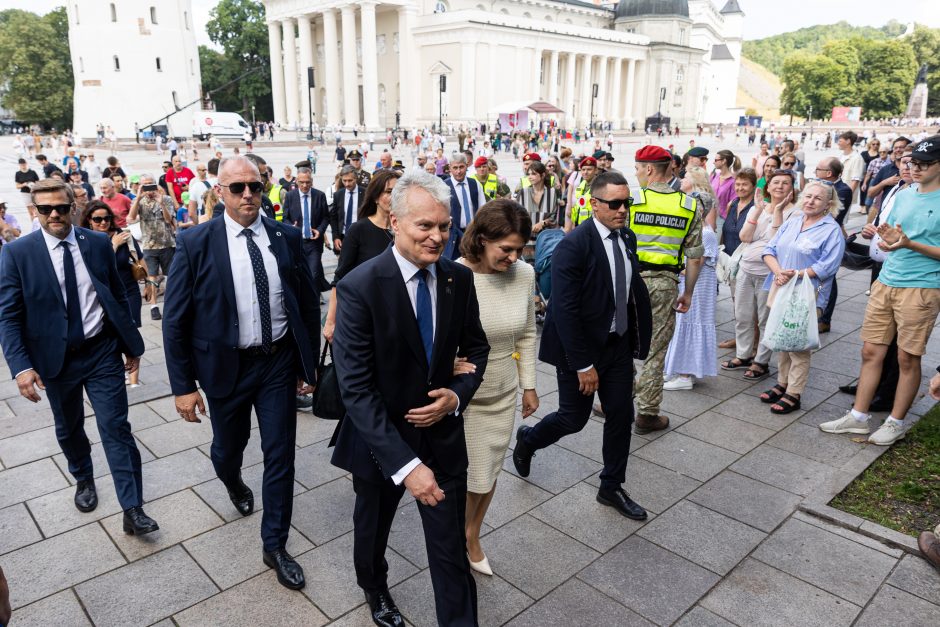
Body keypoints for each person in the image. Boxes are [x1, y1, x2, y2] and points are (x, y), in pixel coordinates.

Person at [330, 169, 490, 627]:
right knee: (372, 531)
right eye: (425, 226)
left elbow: (477, 348)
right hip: (381, 443)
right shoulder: (361, 286)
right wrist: (406, 466)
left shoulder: (457, 279)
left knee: (449, 553)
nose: (437, 236)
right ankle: (375, 589)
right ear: (395, 222)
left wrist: (455, 396)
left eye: (445, 226)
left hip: (441, 438)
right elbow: (356, 389)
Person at [162, 156, 320, 589]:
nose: (247, 194)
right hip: (223, 368)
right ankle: (231, 478)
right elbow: (175, 320)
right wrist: (183, 387)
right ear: (220, 192)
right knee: (228, 448)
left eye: (255, 185)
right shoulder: (195, 242)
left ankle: (275, 545)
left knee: (281, 455)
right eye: (237, 188)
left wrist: (309, 365)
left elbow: (306, 302)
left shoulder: (285, 236)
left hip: (276, 363)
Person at [0, 179, 157, 534]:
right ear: (34, 212)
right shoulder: (17, 253)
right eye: (45, 209)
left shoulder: (98, 243)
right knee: (69, 427)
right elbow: (8, 315)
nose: (54, 214)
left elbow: (116, 295)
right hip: (55, 360)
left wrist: (131, 346)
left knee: (116, 426)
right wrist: (21, 367)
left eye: (60, 207)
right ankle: (83, 477)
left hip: (100, 351)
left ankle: (132, 507)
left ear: (73, 206)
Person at [513, 170, 652, 519]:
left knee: (621, 414)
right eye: (615, 203)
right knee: (573, 419)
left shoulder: (627, 237)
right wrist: (582, 364)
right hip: (581, 351)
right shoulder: (573, 247)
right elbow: (564, 311)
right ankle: (528, 440)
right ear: (594, 204)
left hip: (616, 345)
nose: (622, 210)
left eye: (627, 203)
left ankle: (610, 486)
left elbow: (625, 288)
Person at [820, 136, 940, 445]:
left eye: (924, 165)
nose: (915, 169)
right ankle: (858, 417)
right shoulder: (904, 194)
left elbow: (915, 243)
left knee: (906, 358)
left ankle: (895, 421)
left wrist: (909, 243)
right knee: (870, 350)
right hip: (887, 278)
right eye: (913, 163)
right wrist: (886, 238)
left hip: (922, 286)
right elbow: (892, 238)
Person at [458, 200, 538, 576]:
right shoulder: (453, 276)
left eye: (520, 249)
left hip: (504, 390)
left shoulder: (524, 274)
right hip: (463, 396)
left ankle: (472, 535)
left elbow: (526, 333)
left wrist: (529, 386)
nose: (513, 257)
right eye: (505, 249)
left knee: (489, 471)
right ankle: (455, 535)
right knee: (467, 473)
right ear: (482, 239)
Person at [629, 145, 704, 433]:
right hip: (664, 284)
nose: (636, 174)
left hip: (630, 281)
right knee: (655, 350)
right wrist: (688, 293)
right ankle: (647, 414)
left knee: (622, 344)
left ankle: (617, 399)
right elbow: (695, 256)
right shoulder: (689, 205)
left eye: (637, 168)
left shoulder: (633, 200)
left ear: (649, 169)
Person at [760, 181, 846, 414]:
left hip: (807, 294)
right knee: (782, 338)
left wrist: (795, 274)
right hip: (781, 286)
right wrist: (778, 272)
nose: (810, 201)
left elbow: (827, 267)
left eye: (817, 198)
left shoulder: (831, 230)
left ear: (829, 204)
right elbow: (769, 249)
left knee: (798, 344)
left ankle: (794, 393)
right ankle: (782, 382)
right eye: (808, 196)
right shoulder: (794, 220)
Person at [723, 169, 800, 379]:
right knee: (743, 315)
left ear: (792, 188)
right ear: (768, 186)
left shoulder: (796, 213)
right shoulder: (759, 208)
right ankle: (744, 355)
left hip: (770, 273)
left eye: (785, 183)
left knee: (765, 319)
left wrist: (778, 212)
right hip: (746, 269)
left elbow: (776, 243)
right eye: (775, 182)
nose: (780, 186)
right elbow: (745, 236)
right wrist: (757, 211)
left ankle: (761, 361)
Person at [323, 170, 401, 343]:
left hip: (399, 316)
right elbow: (340, 277)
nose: (395, 196)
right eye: (389, 192)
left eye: (399, 191)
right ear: (375, 197)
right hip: (365, 316)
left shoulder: (406, 231)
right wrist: (330, 321)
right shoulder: (359, 230)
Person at [663, 167, 719, 390]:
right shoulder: (697, 232)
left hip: (697, 289)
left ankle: (686, 375)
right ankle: (678, 369)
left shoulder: (705, 234)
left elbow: (695, 265)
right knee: (682, 326)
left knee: (690, 325)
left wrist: (673, 269)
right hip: (691, 287)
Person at [81, 201, 145, 386]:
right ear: (89, 220)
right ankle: (118, 369)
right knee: (113, 332)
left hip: (129, 291)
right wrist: (113, 245)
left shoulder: (123, 235)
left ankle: (133, 380)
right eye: (98, 219)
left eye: (107, 218)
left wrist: (149, 283)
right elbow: (98, 268)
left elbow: (138, 258)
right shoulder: (86, 241)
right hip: (105, 296)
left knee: (130, 329)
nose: (103, 223)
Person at [127, 175, 176, 321]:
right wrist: (138, 197)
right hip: (149, 244)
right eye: (145, 185)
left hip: (167, 242)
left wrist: (161, 203)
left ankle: (171, 304)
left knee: (170, 275)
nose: (148, 188)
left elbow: (168, 220)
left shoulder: (166, 199)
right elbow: (131, 217)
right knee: (152, 276)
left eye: (150, 184)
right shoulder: (139, 201)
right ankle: (154, 306)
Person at [282, 166, 330, 292]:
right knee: (299, 274)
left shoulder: (320, 196)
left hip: (314, 243)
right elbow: (285, 218)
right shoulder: (290, 196)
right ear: (296, 181)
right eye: (301, 182)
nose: (304, 185)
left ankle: (314, 302)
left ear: (312, 181)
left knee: (314, 274)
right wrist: (290, 227)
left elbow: (326, 217)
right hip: (297, 243)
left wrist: (319, 230)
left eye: (307, 182)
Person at [443, 153, 486, 259]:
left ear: (467, 166)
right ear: (450, 168)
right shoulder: (443, 187)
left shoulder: (475, 184)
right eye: (455, 168)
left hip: (473, 233)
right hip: (453, 235)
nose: (458, 171)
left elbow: (483, 209)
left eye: (461, 167)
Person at [514, 160, 558, 236]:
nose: (530, 177)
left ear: (543, 175)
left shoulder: (552, 192)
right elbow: (517, 215)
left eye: (533, 174)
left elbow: (554, 216)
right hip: (526, 239)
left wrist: (542, 223)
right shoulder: (523, 192)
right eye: (529, 174)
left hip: (545, 239)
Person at [329, 165, 366, 253]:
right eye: (344, 181)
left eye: (350, 180)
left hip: (361, 237)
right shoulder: (338, 195)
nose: (347, 184)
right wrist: (336, 237)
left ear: (356, 178)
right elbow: (333, 218)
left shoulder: (365, 193)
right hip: (343, 237)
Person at [709, 149, 741, 226]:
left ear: (724, 161)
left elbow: (733, 203)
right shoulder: (714, 176)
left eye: (716, 160)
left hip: (722, 219)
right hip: (710, 215)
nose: (713, 162)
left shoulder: (733, 181)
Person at [838, 131, 865, 210]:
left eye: (840, 141)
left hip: (844, 197)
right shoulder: (841, 156)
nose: (838, 143)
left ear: (848, 141)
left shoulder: (857, 158)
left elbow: (855, 181)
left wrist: (846, 198)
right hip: (836, 194)